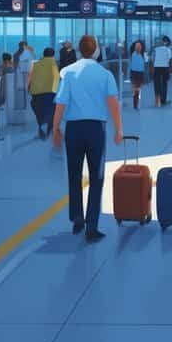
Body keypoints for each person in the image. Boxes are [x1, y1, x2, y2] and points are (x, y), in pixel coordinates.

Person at [51, 35, 123, 242]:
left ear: (79, 50)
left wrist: (56, 129)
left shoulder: (68, 72)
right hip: (96, 129)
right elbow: (113, 104)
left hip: (73, 129)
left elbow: (61, 103)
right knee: (96, 177)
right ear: (97, 50)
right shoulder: (105, 74)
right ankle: (92, 226)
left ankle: (77, 219)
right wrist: (118, 129)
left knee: (73, 174)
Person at [29, 47, 61, 138]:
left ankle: (42, 127)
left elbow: (31, 77)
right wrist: (57, 91)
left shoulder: (36, 64)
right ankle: (46, 127)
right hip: (49, 92)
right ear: (53, 55)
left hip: (36, 92)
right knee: (50, 110)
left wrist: (29, 89)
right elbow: (56, 77)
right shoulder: (53, 63)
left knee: (39, 111)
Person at [151, 36, 172, 106]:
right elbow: (169, 59)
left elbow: (152, 59)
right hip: (165, 68)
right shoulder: (168, 50)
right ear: (166, 42)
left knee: (157, 84)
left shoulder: (155, 49)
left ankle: (157, 101)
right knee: (164, 84)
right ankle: (163, 100)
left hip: (156, 68)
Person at [16, 40, 34, 114]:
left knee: (26, 86)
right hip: (27, 70)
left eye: (21, 45)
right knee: (26, 86)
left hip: (26, 71)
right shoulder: (29, 51)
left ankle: (26, 102)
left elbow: (21, 59)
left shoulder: (26, 52)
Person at [129, 41, 147, 109]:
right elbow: (146, 62)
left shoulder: (133, 54)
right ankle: (136, 104)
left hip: (134, 73)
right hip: (139, 73)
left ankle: (135, 104)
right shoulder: (142, 54)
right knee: (137, 88)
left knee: (136, 88)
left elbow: (131, 64)